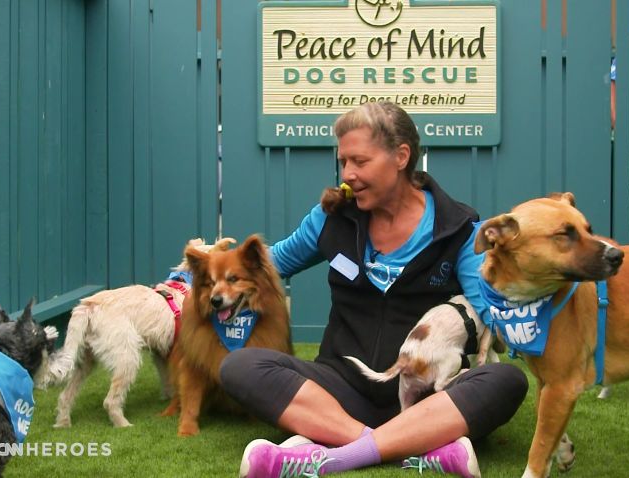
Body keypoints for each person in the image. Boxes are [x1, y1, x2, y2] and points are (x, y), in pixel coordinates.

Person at [220, 102, 529, 478]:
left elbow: (487, 308)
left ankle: (334, 450)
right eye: (343, 161)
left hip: (427, 394)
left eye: (360, 162)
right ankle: (405, 448)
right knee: (240, 366)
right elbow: (268, 264)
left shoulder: (458, 228)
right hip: (340, 387)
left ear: (401, 156)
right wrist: (189, 280)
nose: (347, 175)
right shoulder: (331, 218)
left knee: (507, 381)